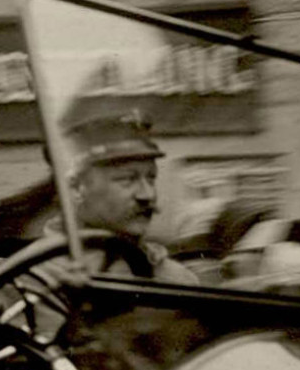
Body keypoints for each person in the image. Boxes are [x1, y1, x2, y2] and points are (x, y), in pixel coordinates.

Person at [47, 109, 196, 284]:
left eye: (151, 178)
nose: (147, 194)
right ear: (76, 189)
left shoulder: (178, 280)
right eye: (127, 179)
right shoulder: (38, 279)